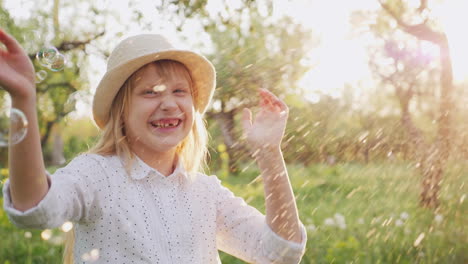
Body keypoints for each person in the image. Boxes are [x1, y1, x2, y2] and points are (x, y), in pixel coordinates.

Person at [0, 28, 307, 263]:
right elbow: (34, 210)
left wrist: (269, 154)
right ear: (122, 109)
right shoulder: (95, 175)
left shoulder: (206, 192)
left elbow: (280, 254)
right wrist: (24, 99)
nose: (169, 104)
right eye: (150, 92)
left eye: (179, 91)